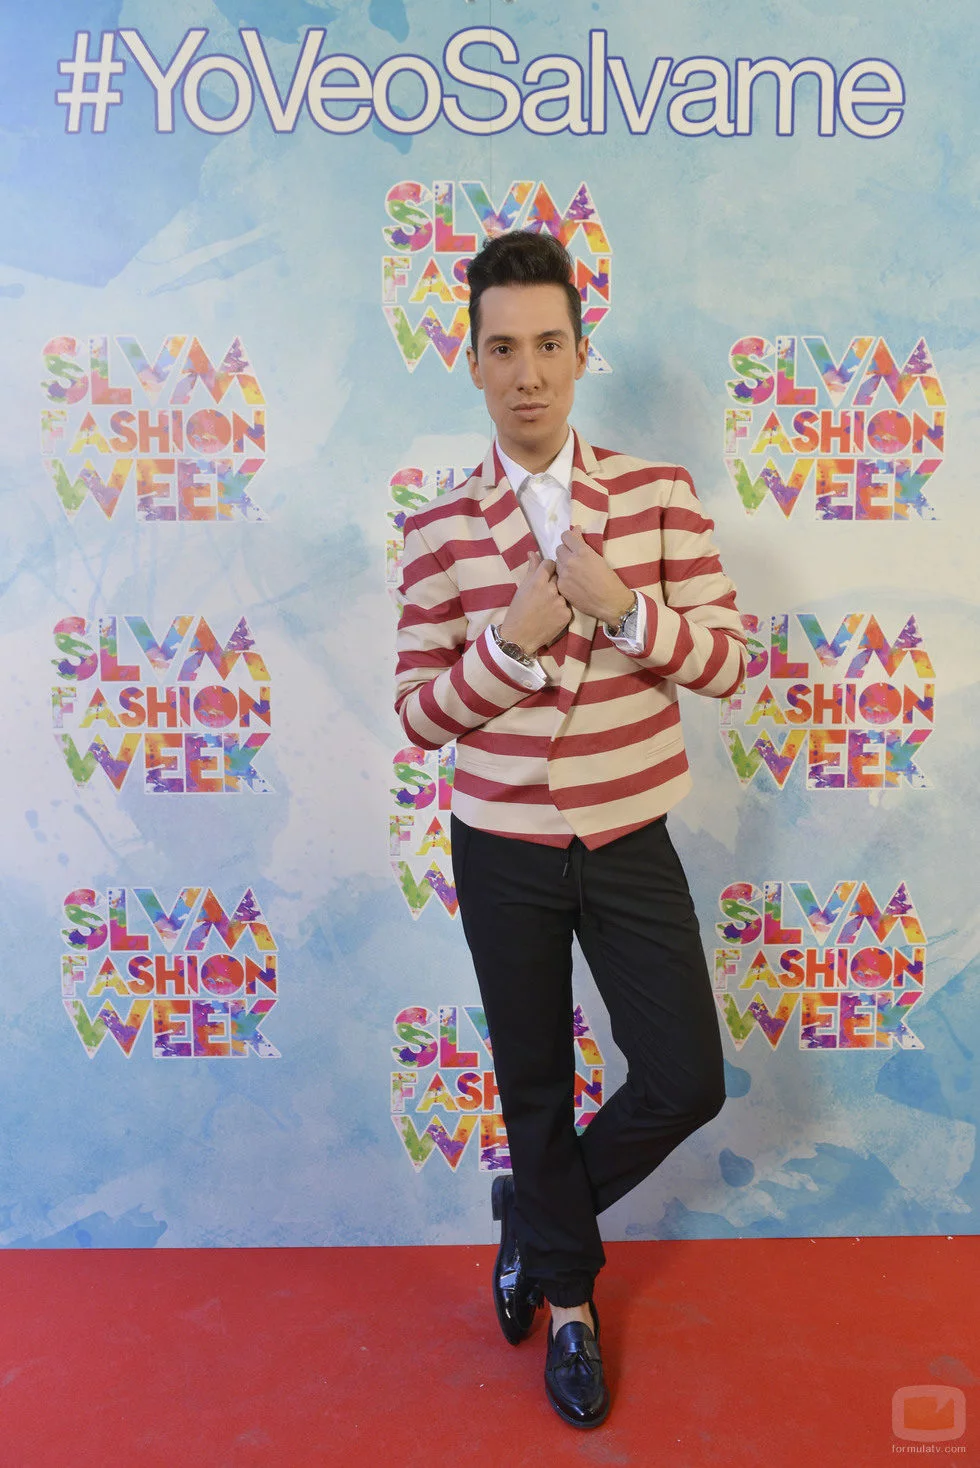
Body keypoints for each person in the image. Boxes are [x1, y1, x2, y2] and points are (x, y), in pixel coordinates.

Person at [394, 230, 746, 1429]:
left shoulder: (656, 495)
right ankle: (571, 1306)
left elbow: (726, 663)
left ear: (581, 353)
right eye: (502, 349)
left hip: (628, 836)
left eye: (548, 344)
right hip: (500, 846)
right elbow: (418, 714)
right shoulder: (437, 528)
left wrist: (623, 610)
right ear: (471, 361)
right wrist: (509, 643)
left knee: (684, 1078)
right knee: (533, 1082)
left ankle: (534, 1221)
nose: (527, 372)